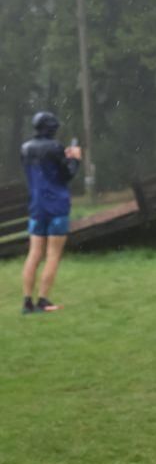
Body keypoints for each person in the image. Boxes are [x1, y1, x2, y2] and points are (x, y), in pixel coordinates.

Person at [20, 111, 82, 314]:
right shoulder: (55, 147)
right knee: (53, 254)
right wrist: (75, 159)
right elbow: (66, 174)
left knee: (34, 254)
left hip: (36, 207)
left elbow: (43, 171)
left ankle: (27, 303)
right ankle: (43, 301)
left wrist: (63, 157)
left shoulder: (25, 148)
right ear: (52, 128)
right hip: (56, 207)